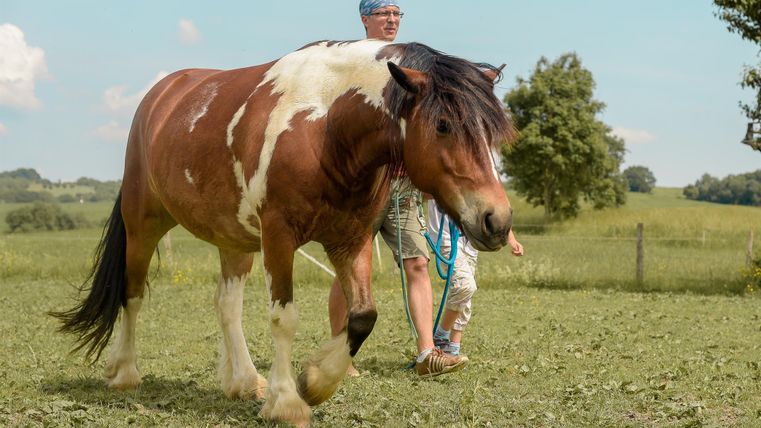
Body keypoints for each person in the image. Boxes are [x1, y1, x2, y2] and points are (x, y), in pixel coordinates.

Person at [327, 0, 468, 377]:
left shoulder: (412, 65)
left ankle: (427, 354)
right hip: (362, 187)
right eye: (383, 13)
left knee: (418, 263)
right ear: (364, 19)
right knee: (351, 272)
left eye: (396, 13)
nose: (391, 20)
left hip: (401, 184)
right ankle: (340, 354)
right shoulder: (351, 62)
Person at [428, 200, 524, 357]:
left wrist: (511, 239)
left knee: (466, 295)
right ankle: (440, 335)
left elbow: (496, 207)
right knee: (465, 286)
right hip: (445, 237)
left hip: (471, 242)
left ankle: (453, 347)